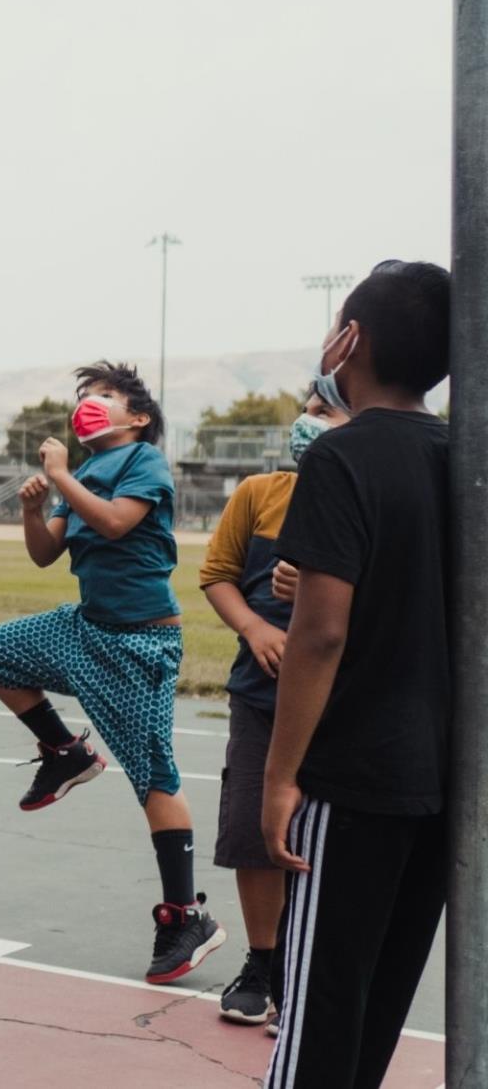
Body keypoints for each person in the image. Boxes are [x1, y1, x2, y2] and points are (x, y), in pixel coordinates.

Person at [0, 361, 225, 985]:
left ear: (138, 418)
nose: (88, 404)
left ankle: (187, 915)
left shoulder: (144, 464)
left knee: (153, 774)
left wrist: (57, 477)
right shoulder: (78, 475)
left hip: (138, 643)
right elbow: (46, 554)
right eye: (83, 396)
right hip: (85, 625)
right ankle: (64, 753)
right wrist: (35, 508)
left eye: (103, 395)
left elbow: (114, 522)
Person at [261, 262, 452, 1089]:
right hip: (443, 778)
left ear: (350, 340)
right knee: (375, 1009)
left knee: (320, 1011)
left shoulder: (340, 458)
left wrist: (279, 776)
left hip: (357, 774)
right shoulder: (461, 454)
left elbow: (319, 632)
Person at [196, 390, 349, 1028]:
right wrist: (256, 628)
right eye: (311, 403)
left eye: (329, 408)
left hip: (344, 703)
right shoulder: (259, 493)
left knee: (330, 839)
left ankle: (312, 970)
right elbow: (217, 574)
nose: (310, 419)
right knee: (254, 831)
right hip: (261, 698)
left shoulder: (362, 496)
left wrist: (317, 587)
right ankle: (264, 962)